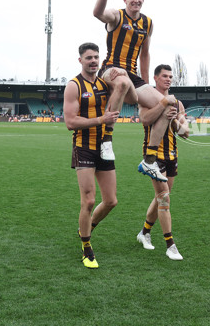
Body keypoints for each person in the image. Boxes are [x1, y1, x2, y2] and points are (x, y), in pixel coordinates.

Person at [93, 0, 176, 181]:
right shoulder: (117, 16)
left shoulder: (147, 23)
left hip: (133, 76)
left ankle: (149, 160)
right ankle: (107, 141)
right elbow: (97, 12)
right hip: (110, 69)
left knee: (169, 105)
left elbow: (145, 54)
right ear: (125, 0)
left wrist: (146, 84)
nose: (136, 0)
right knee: (121, 82)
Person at [63, 42, 120, 269]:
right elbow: (70, 122)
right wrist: (100, 120)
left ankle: (86, 227)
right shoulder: (73, 86)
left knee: (111, 201)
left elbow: (126, 92)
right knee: (88, 200)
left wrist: (121, 75)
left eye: (96, 57)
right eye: (89, 58)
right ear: (80, 61)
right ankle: (87, 248)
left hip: (105, 147)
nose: (93, 61)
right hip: (84, 146)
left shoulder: (105, 83)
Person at [135, 64, 188, 260]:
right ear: (155, 78)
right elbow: (145, 119)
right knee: (164, 198)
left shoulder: (179, 103)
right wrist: (163, 105)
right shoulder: (147, 98)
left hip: (172, 155)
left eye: (170, 76)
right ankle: (170, 244)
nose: (168, 79)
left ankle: (144, 232)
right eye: (164, 76)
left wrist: (175, 121)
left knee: (161, 197)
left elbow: (186, 133)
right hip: (154, 155)